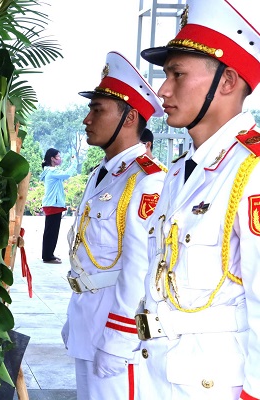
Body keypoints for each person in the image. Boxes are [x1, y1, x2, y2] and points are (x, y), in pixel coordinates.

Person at [135, 1, 260, 399]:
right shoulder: (179, 172)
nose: (162, 90)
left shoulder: (251, 170)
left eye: (177, 74)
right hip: (160, 370)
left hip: (216, 385)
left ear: (227, 82)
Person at [63, 51, 165, 399]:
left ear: (129, 117)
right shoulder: (103, 174)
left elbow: (142, 268)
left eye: (98, 110)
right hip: (88, 319)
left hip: (118, 335)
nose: (87, 119)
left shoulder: (147, 181)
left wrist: (120, 338)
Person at [40, 149, 74, 263]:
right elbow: (67, 174)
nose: (60, 158)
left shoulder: (51, 171)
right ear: (52, 159)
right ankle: (47, 256)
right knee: (51, 232)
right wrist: (73, 163)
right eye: (58, 156)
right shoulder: (52, 171)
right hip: (53, 205)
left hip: (52, 204)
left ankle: (49, 254)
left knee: (51, 231)